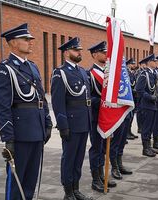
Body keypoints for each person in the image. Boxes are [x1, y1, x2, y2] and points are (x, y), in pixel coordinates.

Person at [0, 23, 52, 200]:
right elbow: (2, 107)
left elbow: (41, 98)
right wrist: (8, 138)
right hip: (20, 134)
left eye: (30, 39)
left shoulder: (33, 67)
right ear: (13, 43)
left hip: (37, 131)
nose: (30, 42)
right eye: (26, 39)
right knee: (16, 182)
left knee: (30, 182)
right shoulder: (4, 69)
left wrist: (47, 123)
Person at [51, 37, 93, 200]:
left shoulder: (82, 71)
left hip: (84, 122)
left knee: (79, 158)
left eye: (80, 50)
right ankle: (68, 191)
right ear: (67, 52)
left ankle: (76, 189)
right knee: (69, 158)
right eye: (76, 50)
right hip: (71, 122)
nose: (79, 52)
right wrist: (63, 125)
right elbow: (57, 102)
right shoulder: (60, 73)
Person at [87, 41, 116, 193]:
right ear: (94, 55)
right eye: (103, 52)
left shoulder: (108, 73)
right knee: (96, 148)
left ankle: (102, 175)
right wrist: (103, 101)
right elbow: (88, 98)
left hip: (107, 117)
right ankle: (95, 178)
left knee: (105, 148)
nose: (106, 55)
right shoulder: (90, 74)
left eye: (106, 52)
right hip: (96, 117)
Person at [135, 54, 158, 157]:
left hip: (153, 105)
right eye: (154, 61)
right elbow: (139, 90)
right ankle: (145, 148)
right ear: (149, 62)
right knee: (146, 128)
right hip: (146, 105)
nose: (155, 63)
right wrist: (150, 97)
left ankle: (149, 146)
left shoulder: (153, 74)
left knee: (151, 127)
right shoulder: (144, 74)